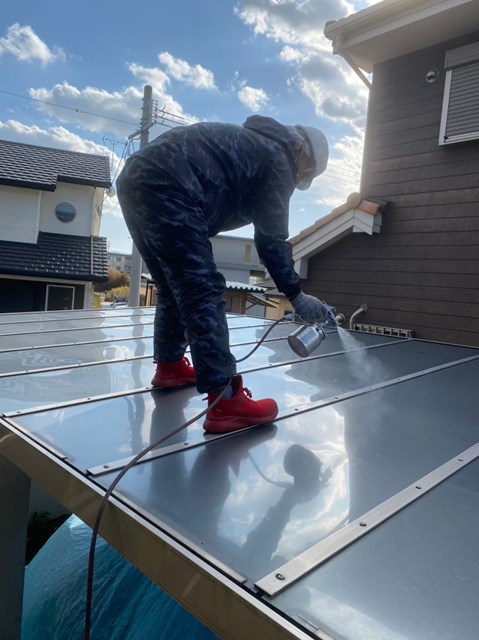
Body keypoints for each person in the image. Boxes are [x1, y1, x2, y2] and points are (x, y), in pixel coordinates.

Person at [116, 115, 329, 435]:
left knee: (174, 285)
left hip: (135, 178)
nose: (297, 178)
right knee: (202, 290)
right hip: (169, 183)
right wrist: (296, 295)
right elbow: (271, 240)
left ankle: (170, 366)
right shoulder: (278, 158)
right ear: (300, 149)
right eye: (304, 171)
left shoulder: (253, 145)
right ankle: (225, 402)